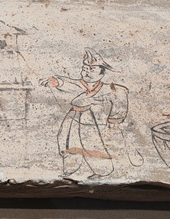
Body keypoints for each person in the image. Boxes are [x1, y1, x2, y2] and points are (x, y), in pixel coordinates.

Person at [40, 49, 129, 179]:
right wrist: (57, 82)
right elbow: (69, 82)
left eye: (91, 70)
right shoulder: (80, 84)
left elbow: (121, 97)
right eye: (84, 69)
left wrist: (114, 119)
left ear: (102, 73)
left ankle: (102, 171)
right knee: (67, 141)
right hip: (73, 118)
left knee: (92, 144)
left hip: (91, 121)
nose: (86, 72)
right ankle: (71, 169)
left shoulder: (108, 88)